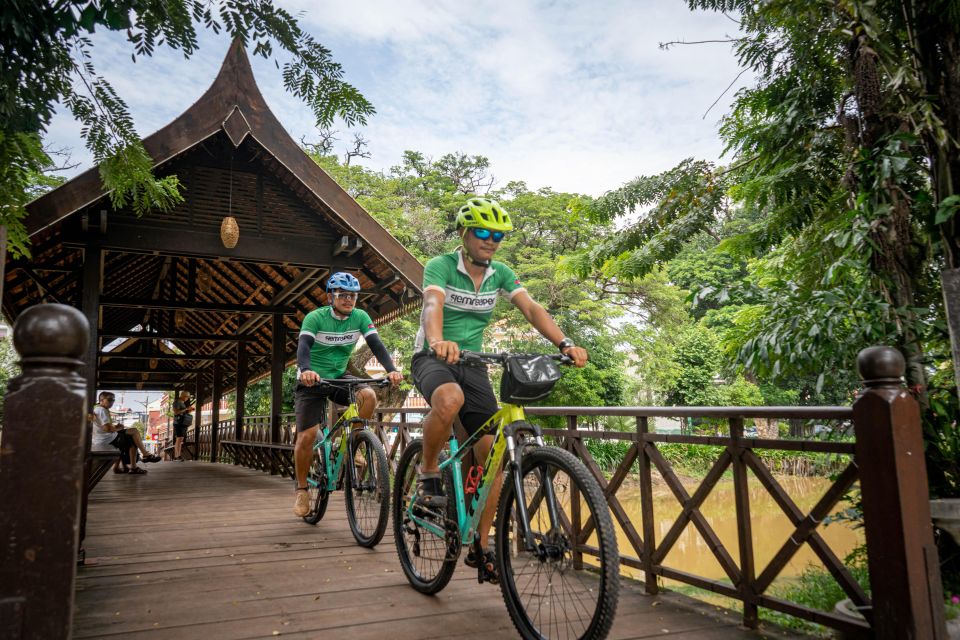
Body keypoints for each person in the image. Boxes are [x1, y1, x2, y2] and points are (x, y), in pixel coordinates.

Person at [411, 197, 589, 583]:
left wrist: (564, 343)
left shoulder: (501, 273)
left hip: (473, 363)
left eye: (498, 236)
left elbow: (531, 308)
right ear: (464, 234)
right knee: (449, 399)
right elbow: (432, 302)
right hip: (433, 356)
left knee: (490, 450)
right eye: (484, 233)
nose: (491, 241)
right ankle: (427, 472)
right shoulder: (441, 265)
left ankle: (481, 541)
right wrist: (438, 339)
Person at [292, 271, 404, 517]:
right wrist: (306, 370)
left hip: (339, 375)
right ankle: (301, 490)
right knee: (307, 436)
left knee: (369, 396)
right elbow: (304, 348)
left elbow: (376, 345)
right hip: (313, 379)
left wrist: (392, 370)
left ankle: (353, 446)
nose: (348, 300)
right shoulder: (315, 318)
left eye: (353, 295)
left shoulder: (360, 317)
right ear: (330, 296)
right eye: (342, 295)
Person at [90, 391, 162, 474]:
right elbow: (108, 429)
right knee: (133, 435)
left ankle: (119, 467)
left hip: (101, 438)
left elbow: (105, 427)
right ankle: (142, 458)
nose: (112, 402)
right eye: (109, 400)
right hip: (107, 438)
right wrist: (118, 428)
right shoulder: (102, 410)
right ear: (101, 400)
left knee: (130, 437)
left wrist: (115, 427)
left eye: (113, 400)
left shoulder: (98, 409)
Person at [171, 390, 194, 461]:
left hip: (182, 423)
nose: (187, 398)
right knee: (179, 439)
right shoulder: (177, 402)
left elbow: (182, 411)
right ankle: (177, 456)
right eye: (187, 397)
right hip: (178, 423)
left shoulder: (182, 402)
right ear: (183, 396)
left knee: (180, 439)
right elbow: (176, 412)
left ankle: (178, 455)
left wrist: (189, 410)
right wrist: (186, 409)